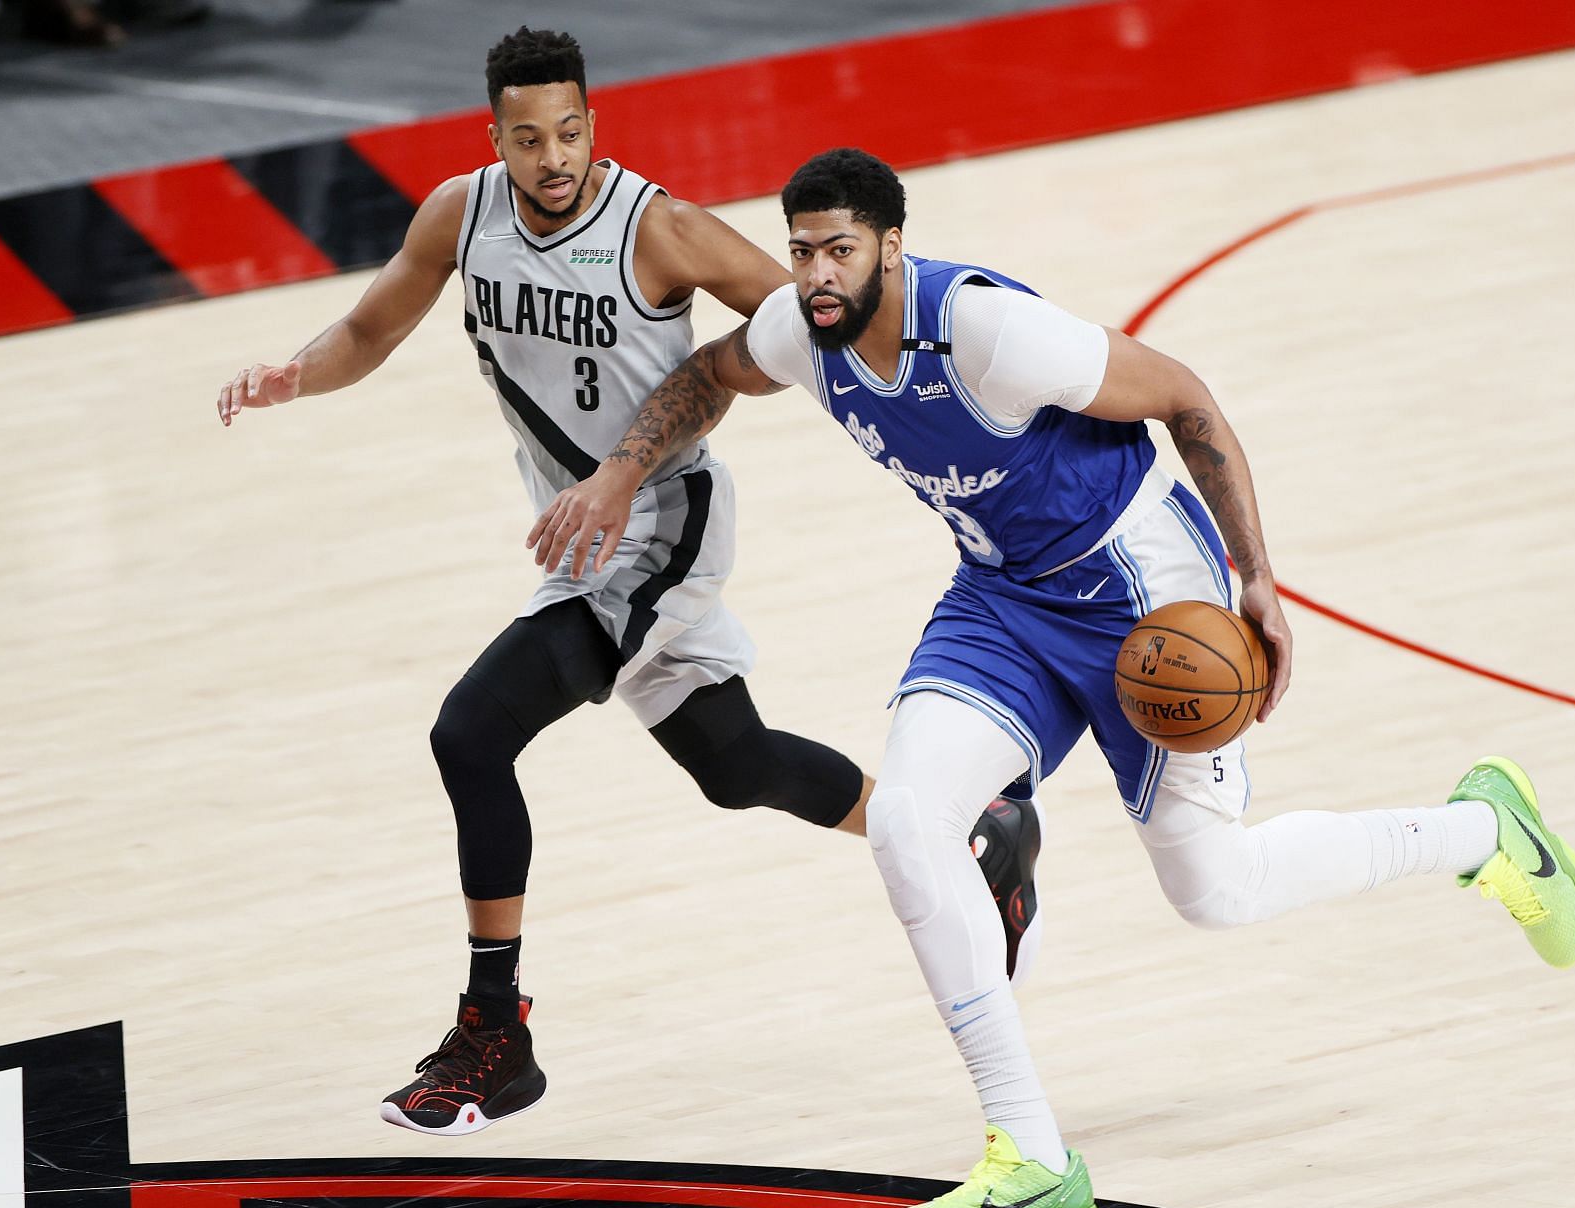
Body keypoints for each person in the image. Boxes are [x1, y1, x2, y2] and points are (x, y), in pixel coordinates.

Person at [545, 147, 1575, 1208]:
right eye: (801, 249)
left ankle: (1483, 831)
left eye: (838, 249)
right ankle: (1032, 1155)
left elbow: (1186, 399)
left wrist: (1257, 580)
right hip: (1001, 598)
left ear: (892, 247)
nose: (814, 272)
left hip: (1141, 596)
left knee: (1215, 887)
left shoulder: (990, 332)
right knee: (903, 820)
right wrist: (621, 469)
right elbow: (709, 373)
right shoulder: (801, 334)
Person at [214, 37, 1042, 1137]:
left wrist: (931, 412)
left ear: (593, 124)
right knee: (736, 768)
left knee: (470, 733)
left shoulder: (661, 228)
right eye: (527, 138)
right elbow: (370, 328)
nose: (553, 158)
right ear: (492, 137)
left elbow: (799, 328)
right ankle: (982, 832)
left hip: (659, 525)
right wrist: (294, 374)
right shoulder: (460, 217)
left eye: (569, 132)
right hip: (583, 536)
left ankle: (493, 1030)